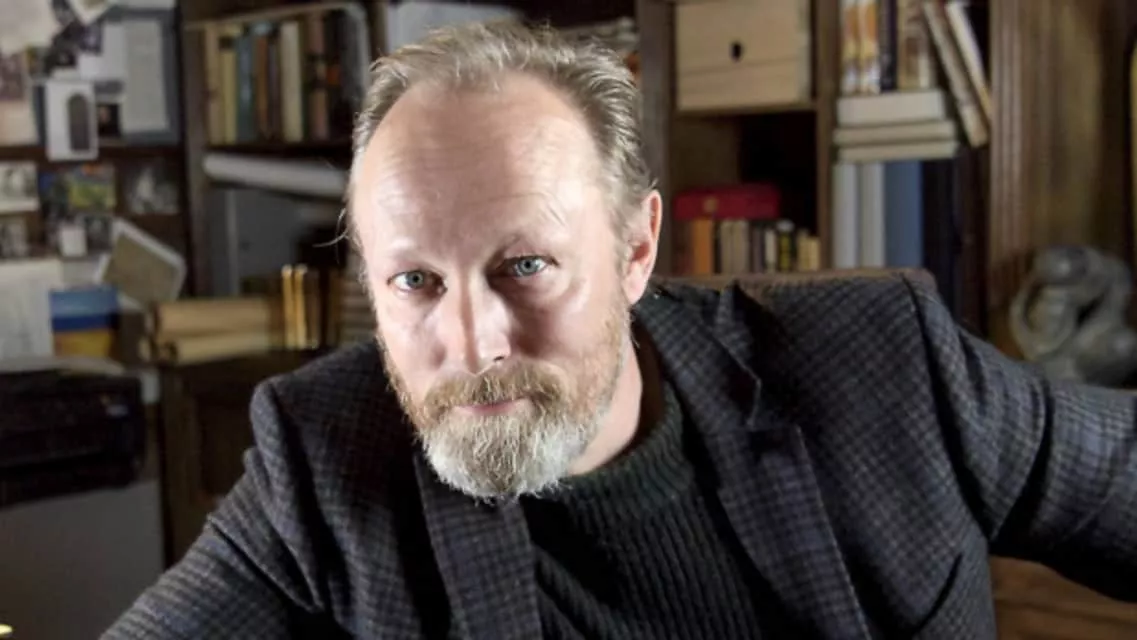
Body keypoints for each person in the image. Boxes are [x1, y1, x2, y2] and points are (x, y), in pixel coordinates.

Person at [104, 22, 1137, 639]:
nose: (473, 342)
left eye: (524, 267)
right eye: (415, 280)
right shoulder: (325, 461)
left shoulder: (882, 367)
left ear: (637, 248)